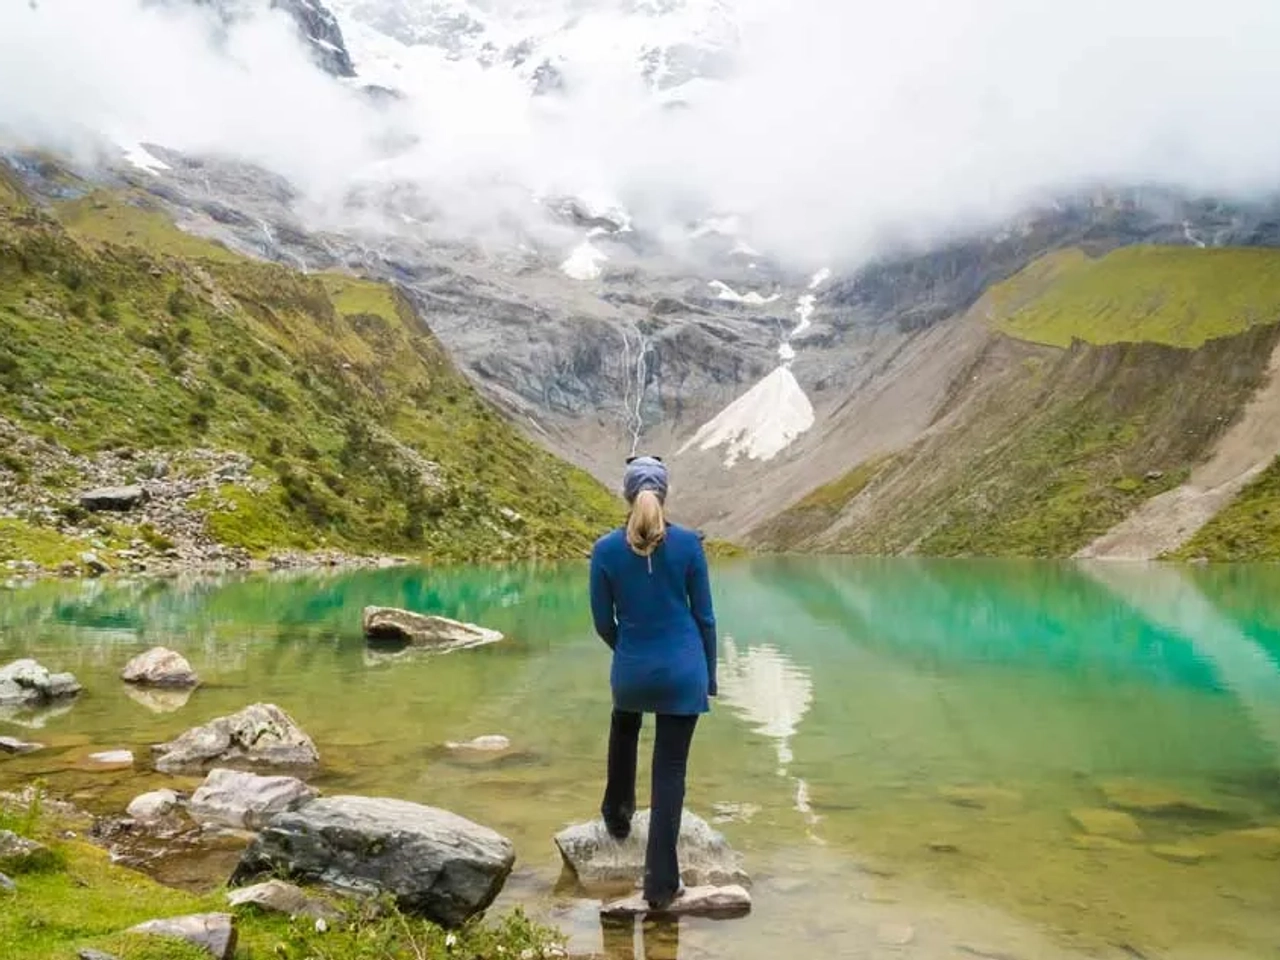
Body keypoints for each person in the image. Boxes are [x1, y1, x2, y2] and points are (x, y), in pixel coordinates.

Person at [588, 455, 718, 911]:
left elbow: (604, 621)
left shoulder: (604, 550)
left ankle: (617, 814)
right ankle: (661, 885)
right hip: (684, 670)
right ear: (664, 494)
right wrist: (710, 675)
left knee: (625, 726)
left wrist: (630, 651)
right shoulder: (688, 545)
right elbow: (704, 617)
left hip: (632, 670)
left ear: (627, 495)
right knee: (670, 770)